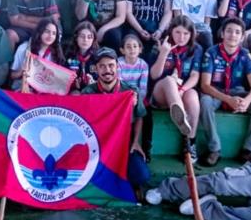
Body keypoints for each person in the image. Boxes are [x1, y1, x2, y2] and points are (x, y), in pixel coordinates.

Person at [199, 17, 251, 166]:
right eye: (229, 31)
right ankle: (214, 149)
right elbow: (205, 85)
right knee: (204, 101)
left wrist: (247, 101)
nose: (233, 35)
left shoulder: (245, 55)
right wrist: (227, 99)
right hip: (216, 93)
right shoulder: (211, 53)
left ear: (242, 37)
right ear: (222, 34)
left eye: (237, 32)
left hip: (237, 92)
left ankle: (249, 150)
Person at [81, 47, 150, 196]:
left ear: (117, 67)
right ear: (96, 69)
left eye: (111, 65)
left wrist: (136, 142)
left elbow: (139, 116)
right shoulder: (87, 93)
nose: (107, 70)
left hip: (124, 144)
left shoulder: (130, 92)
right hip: (98, 145)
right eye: (102, 66)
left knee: (141, 175)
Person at [150, 16, 203, 161]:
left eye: (186, 34)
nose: (181, 37)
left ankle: (190, 143)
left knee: (192, 95)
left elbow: (195, 76)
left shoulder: (196, 49)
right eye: (178, 32)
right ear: (171, 31)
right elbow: (154, 75)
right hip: (161, 92)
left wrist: (182, 90)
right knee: (169, 81)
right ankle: (182, 117)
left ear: (191, 34)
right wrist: (164, 53)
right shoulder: (161, 44)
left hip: (182, 90)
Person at [11, 18, 63, 91]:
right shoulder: (24, 48)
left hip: (46, 90)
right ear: (39, 32)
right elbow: (12, 76)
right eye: (47, 31)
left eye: (54, 33)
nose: (50, 36)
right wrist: (21, 71)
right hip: (24, 88)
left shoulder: (56, 53)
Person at [65, 21, 98, 93]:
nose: (85, 40)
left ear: (93, 40)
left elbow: (101, 80)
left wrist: (93, 83)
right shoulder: (68, 56)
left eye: (89, 37)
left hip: (92, 91)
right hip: (73, 91)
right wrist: (73, 84)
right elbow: (63, 79)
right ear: (76, 37)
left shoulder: (98, 58)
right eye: (82, 36)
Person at [117, 34, 148, 103]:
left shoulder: (143, 65)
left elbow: (143, 87)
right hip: (122, 94)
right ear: (122, 50)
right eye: (128, 47)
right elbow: (119, 84)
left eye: (135, 46)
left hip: (137, 95)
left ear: (140, 49)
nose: (132, 49)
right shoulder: (118, 63)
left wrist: (138, 99)